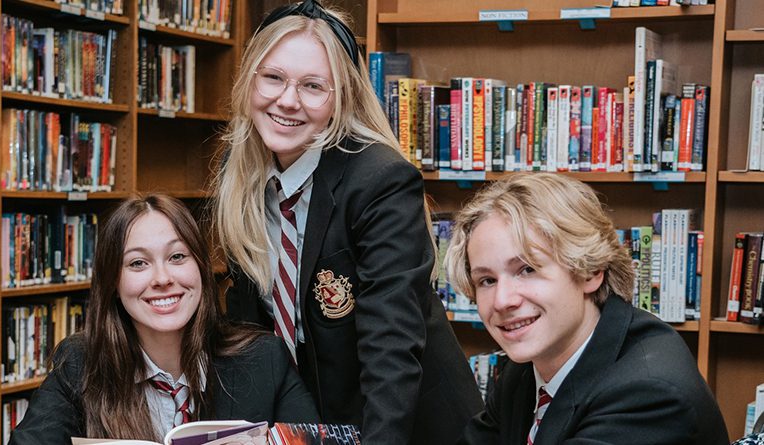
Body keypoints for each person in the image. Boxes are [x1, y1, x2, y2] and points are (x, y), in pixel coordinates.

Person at [212, 0, 481, 442]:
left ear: (342, 98)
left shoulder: (379, 180)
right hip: (318, 422)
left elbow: (390, 348)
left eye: (313, 86)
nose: (287, 100)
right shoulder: (238, 172)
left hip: (408, 427)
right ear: (249, 81)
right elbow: (252, 335)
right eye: (273, 78)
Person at [9, 194, 318, 443]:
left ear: (200, 267)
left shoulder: (264, 359)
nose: (162, 278)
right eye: (138, 263)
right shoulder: (81, 364)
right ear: (113, 284)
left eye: (177, 257)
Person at [445, 173, 728, 445]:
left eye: (527, 269)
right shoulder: (528, 366)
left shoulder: (649, 394)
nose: (502, 300)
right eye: (487, 280)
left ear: (590, 271)